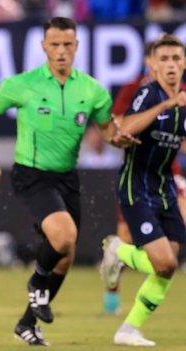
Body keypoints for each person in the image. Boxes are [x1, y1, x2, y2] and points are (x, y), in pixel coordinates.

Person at [0, 16, 135, 346]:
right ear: (43, 46)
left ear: (77, 46)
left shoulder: (92, 90)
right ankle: (36, 284)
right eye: (55, 44)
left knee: (66, 253)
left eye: (67, 44)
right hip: (31, 174)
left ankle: (26, 323)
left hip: (67, 178)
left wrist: (120, 138)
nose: (61, 51)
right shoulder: (25, 83)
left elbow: (108, 130)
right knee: (64, 236)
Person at [101, 34, 186, 347]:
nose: (171, 65)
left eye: (176, 59)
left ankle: (128, 330)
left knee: (166, 267)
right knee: (165, 264)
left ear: (185, 63)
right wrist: (166, 102)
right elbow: (127, 127)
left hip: (165, 187)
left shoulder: (183, 103)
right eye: (164, 59)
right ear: (153, 64)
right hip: (136, 186)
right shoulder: (149, 94)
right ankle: (117, 250)